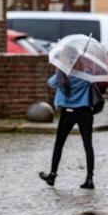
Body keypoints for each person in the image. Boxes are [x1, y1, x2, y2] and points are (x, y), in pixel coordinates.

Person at [39, 57, 95, 189]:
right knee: (88, 145)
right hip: (85, 112)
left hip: (68, 112)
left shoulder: (63, 74)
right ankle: (89, 178)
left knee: (59, 144)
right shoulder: (87, 74)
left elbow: (50, 83)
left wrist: (59, 70)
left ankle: (52, 176)